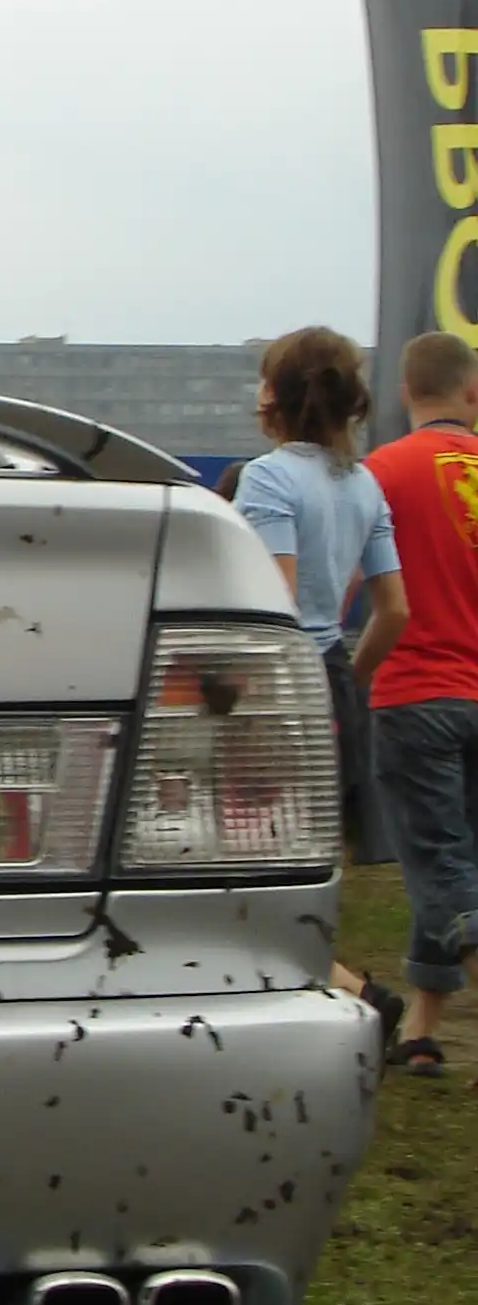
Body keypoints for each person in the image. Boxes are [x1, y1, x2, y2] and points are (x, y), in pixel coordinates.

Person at [233, 326, 408, 1024]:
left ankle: (346, 994)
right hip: (332, 672)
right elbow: (394, 610)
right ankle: (339, 991)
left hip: (275, 686)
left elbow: (271, 602)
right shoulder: (363, 484)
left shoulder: (267, 477)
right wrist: (350, 680)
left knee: (246, 860)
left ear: (275, 395)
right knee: (304, 865)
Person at [365, 330, 478, 1075]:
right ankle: (422, 1030)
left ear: (405, 391)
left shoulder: (383, 472)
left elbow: (354, 584)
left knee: (440, 868)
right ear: (472, 392)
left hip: (414, 692)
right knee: (454, 867)